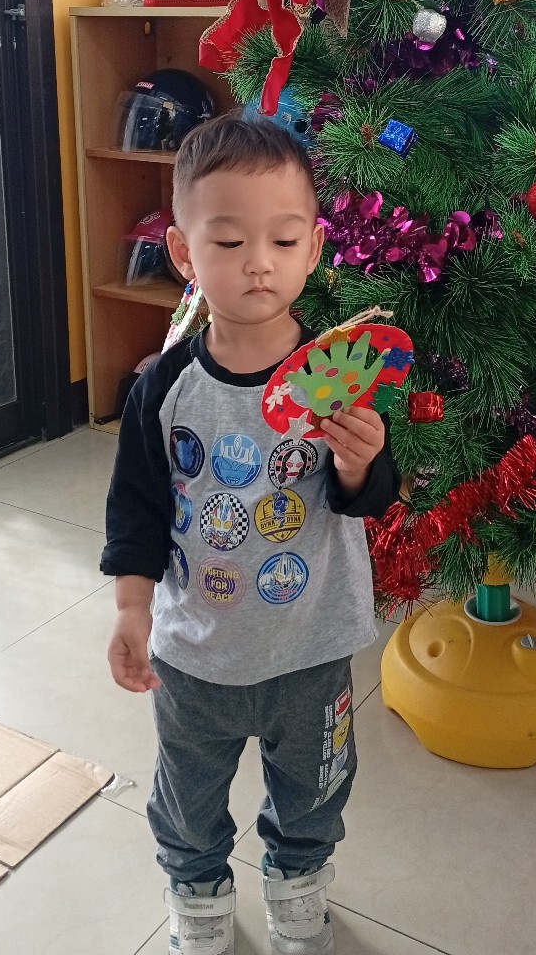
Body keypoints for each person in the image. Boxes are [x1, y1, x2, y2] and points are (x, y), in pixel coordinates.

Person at [101, 112, 400, 955]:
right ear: (185, 253)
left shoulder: (336, 375)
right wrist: (131, 607)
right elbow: (136, 507)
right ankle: (197, 891)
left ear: (313, 249)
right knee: (187, 794)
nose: (258, 262)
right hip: (196, 652)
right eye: (229, 242)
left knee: (315, 790)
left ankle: (298, 883)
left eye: (283, 239)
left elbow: (369, 498)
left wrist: (361, 461)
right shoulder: (163, 388)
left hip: (311, 646)